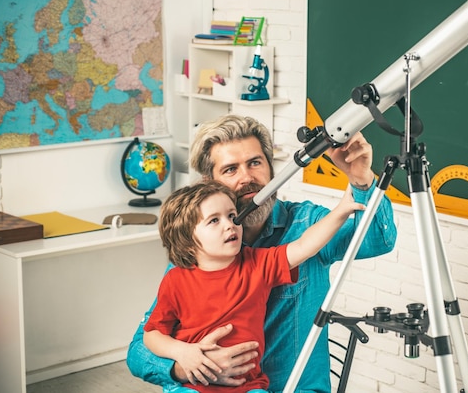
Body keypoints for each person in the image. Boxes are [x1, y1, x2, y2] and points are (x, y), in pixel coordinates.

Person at [127, 114, 397, 392]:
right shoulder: (198, 251)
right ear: (210, 183)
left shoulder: (307, 223)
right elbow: (139, 350)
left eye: (255, 163)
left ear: (271, 169)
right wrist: (190, 366)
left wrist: (361, 180)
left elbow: (379, 240)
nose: (247, 178)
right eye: (231, 169)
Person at [143, 180, 365, 392]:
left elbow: (304, 245)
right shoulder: (175, 280)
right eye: (214, 220)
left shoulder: (257, 264)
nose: (230, 225)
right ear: (186, 238)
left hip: (248, 387)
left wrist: (342, 210)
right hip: (193, 386)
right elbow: (152, 334)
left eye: (232, 216)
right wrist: (183, 353)